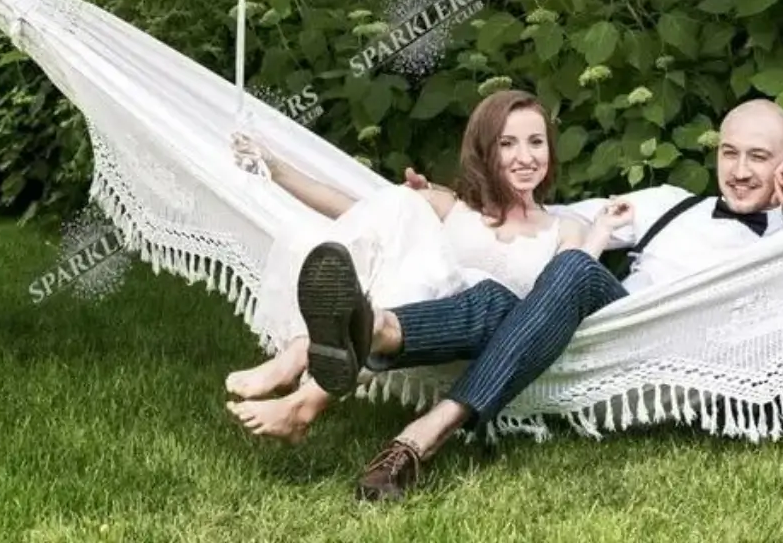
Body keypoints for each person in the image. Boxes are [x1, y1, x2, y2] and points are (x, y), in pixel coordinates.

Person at [295, 97, 783, 501]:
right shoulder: (669, 201)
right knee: (508, 294)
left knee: (560, 274)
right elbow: (539, 222)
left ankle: (417, 415)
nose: (738, 172)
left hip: (667, 346)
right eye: (729, 153)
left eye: (759, 158)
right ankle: (376, 332)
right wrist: (440, 203)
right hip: (603, 324)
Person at [224, 89, 633, 442]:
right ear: (484, 151)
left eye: (536, 143)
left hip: (486, 329)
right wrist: (274, 168)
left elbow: (566, 291)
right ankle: (302, 357)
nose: (525, 157)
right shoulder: (453, 207)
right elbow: (358, 213)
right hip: (412, 321)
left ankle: (303, 388)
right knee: (400, 203)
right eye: (507, 144)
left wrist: (601, 229)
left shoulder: (564, 228)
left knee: (459, 275)